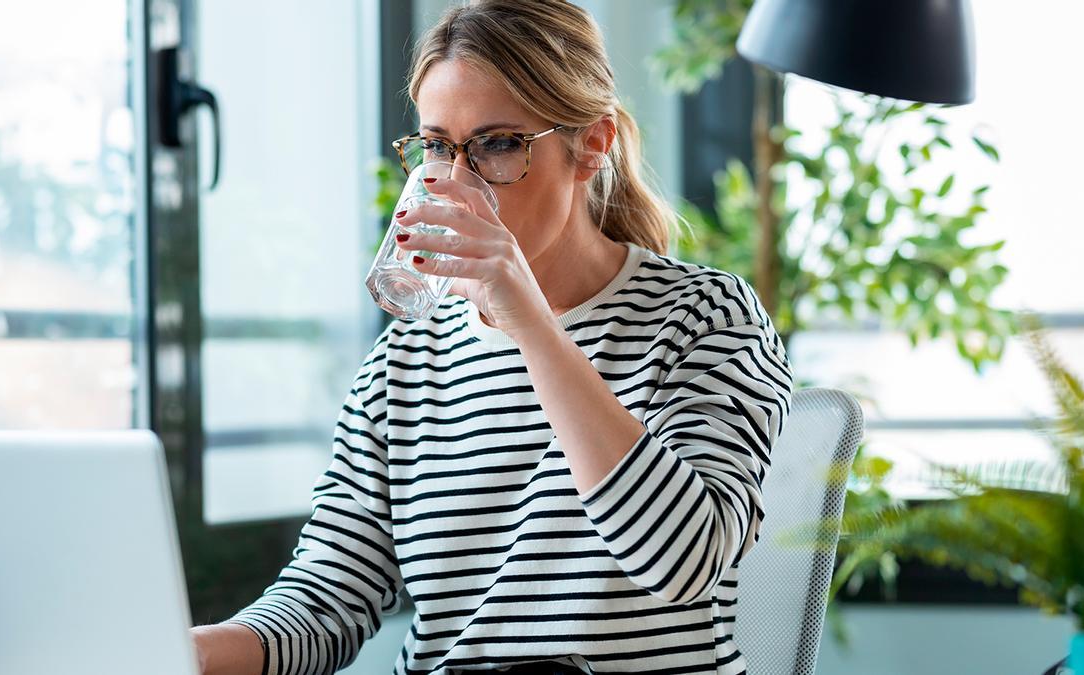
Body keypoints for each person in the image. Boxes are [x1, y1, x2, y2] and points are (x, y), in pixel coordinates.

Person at [190, 1, 792, 673]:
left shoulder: (704, 318)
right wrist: (187, 653)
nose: (456, 178)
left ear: (592, 144)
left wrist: (530, 321)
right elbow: (327, 597)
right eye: (439, 146)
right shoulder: (402, 366)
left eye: (499, 143)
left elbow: (685, 562)